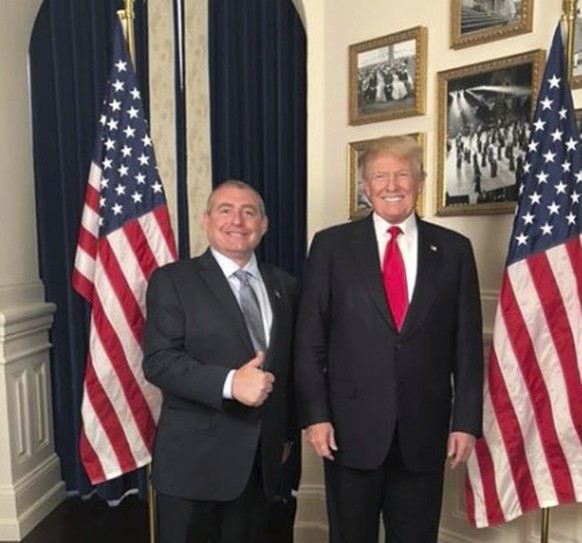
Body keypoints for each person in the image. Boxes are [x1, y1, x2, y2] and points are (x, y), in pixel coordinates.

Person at [295, 136, 483, 543]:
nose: (391, 184)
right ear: (365, 187)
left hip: (425, 431)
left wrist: (466, 422)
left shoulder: (454, 250)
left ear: (420, 182)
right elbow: (310, 339)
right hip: (348, 430)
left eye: (403, 174)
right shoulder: (331, 246)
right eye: (380, 175)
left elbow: (467, 346)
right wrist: (315, 415)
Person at [143, 180, 299, 543]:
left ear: (264, 224)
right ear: (206, 220)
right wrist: (230, 383)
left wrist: (287, 432)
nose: (237, 221)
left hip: (261, 462)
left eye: (249, 212)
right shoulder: (172, 280)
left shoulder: (286, 285)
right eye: (225, 210)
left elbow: (292, 368)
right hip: (193, 463)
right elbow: (159, 362)